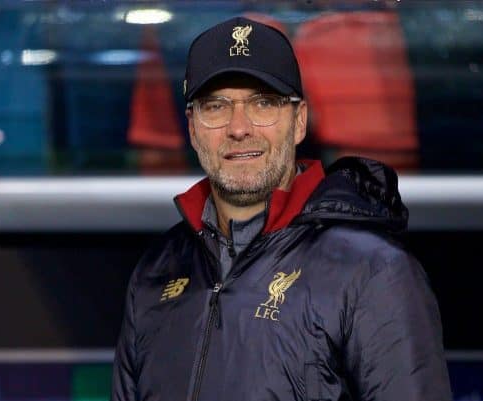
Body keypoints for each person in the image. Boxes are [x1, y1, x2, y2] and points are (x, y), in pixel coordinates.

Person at [112, 16, 452, 401]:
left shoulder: (372, 272)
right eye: (216, 106)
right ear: (192, 128)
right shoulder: (157, 271)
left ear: (300, 121)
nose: (239, 128)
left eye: (263, 103)